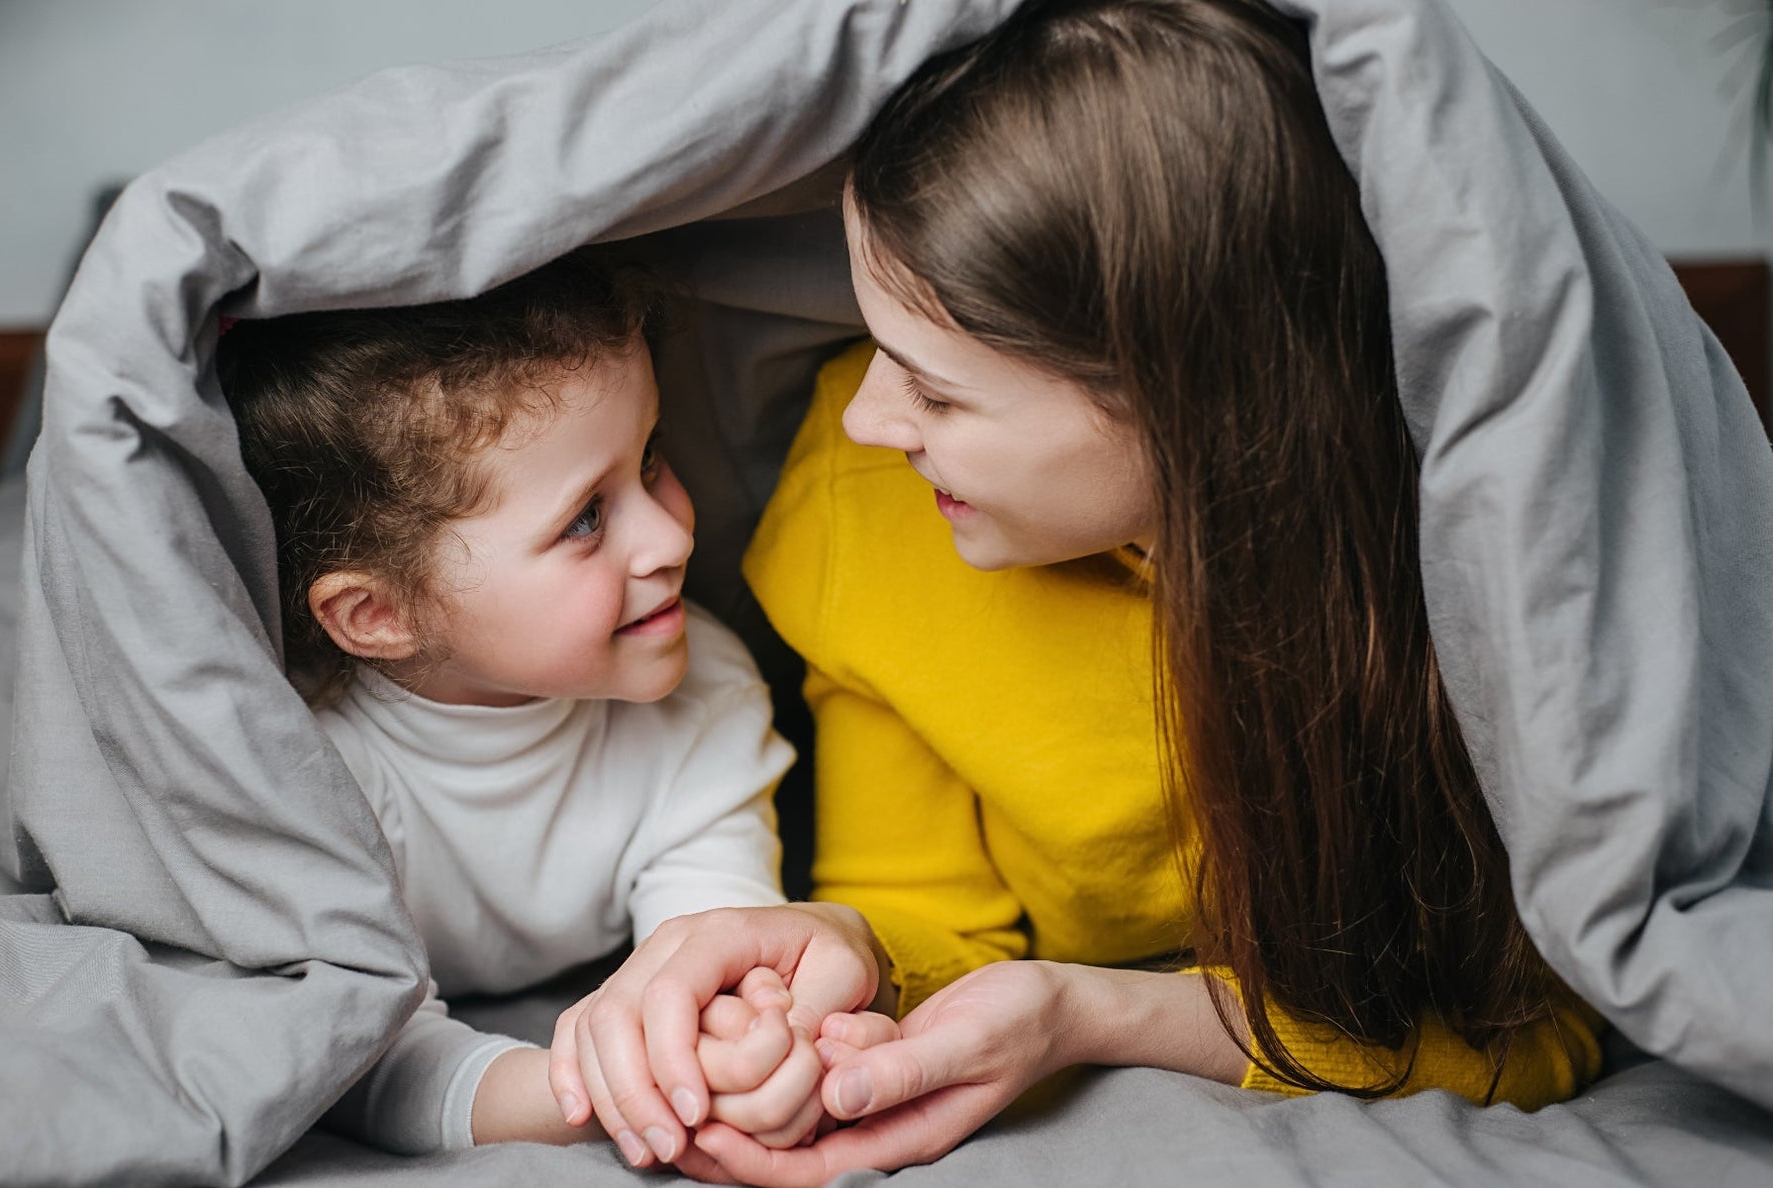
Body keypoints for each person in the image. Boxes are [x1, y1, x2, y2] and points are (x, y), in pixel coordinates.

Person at [545, 1, 1607, 1181]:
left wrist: (1098, 1013)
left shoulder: (1460, 575)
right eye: (870, 341)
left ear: (1180, 405)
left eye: (937, 393)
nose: (863, 416)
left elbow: (1535, 1028)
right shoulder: (859, 504)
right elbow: (925, 913)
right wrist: (828, 946)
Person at [218, 251, 816, 1159]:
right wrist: (586, 1090)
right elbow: (352, 1052)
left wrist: (734, 1044)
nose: (669, 536)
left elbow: (710, 940)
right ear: (380, 614)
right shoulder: (311, 772)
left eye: (651, 458)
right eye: (585, 517)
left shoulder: (704, 688)